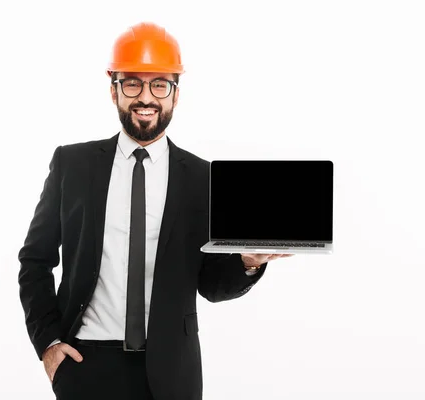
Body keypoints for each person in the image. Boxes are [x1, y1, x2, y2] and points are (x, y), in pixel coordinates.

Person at [18, 21, 293, 400]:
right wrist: (48, 344)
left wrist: (246, 260)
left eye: (159, 84)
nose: (145, 97)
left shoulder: (203, 178)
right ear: (113, 89)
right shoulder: (72, 165)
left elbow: (211, 285)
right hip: (85, 365)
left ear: (175, 94)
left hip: (172, 372)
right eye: (132, 83)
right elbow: (35, 261)